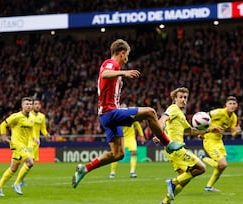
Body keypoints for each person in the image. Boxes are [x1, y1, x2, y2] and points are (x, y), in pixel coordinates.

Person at [72, 39, 184, 189]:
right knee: (150, 112)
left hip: (106, 116)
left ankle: (85, 168)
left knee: (118, 154)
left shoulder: (114, 67)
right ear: (122, 53)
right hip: (110, 112)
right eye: (127, 56)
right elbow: (105, 74)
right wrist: (124, 72)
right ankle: (168, 144)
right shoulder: (112, 64)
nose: (127, 60)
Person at [153, 87, 222, 204]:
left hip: (175, 149)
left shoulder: (181, 114)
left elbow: (191, 131)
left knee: (185, 179)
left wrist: (211, 130)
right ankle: (172, 182)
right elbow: (163, 119)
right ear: (175, 99)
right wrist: (159, 134)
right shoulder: (173, 109)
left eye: (185, 97)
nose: (183, 100)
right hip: (175, 148)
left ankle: (166, 202)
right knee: (201, 168)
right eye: (180, 97)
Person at [0, 97, 39, 196]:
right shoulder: (16, 116)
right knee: (30, 162)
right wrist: (4, 137)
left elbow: (31, 129)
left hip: (24, 145)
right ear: (22, 106)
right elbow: (2, 125)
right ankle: (17, 183)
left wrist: (35, 138)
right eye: (27, 104)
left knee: (13, 168)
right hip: (16, 144)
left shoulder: (32, 117)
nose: (29, 106)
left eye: (30, 104)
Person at [200, 96, 241, 192]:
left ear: (237, 105)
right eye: (230, 104)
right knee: (222, 164)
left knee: (222, 167)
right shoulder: (219, 112)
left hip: (219, 141)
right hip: (209, 139)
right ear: (226, 105)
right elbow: (203, 117)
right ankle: (203, 158)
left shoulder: (234, 117)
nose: (232, 106)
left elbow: (233, 134)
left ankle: (209, 186)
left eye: (234, 104)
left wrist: (236, 133)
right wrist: (202, 132)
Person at [109, 103, 146, 179]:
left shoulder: (131, 116)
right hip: (120, 138)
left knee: (134, 153)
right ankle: (112, 172)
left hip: (130, 138)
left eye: (124, 108)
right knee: (116, 155)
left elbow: (137, 125)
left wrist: (141, 135)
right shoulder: (116, 117)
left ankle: (132, 172)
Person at [20, 99, 51, 186]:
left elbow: (43, 129)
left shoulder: (42, 116)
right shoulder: (28, 115)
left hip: (36, 142)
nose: (37, 105)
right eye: (35, 104)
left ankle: (21, 179)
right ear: (32, 106)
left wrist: (46, 135)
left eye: (38, 104)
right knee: (28, 161)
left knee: (31, 163)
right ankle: (19, 180)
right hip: (28, 141)